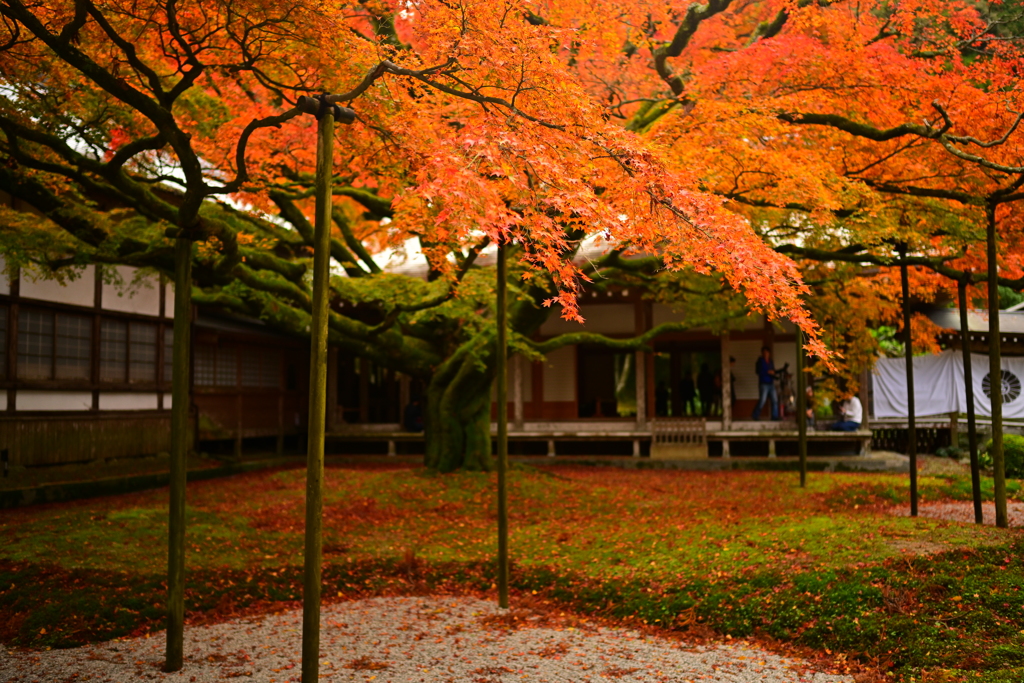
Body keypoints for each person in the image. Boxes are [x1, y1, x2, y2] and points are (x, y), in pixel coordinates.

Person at [751, 346, 779, 420]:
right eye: (764, 352)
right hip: (763, 383)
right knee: (762, 400)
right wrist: (767, 372)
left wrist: (773, 372)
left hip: (771, 382)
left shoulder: (770, 361)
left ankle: (774, 416)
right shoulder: (760, 361)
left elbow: (773, 370)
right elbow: (758, 371)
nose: (766, 354)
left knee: (775, 400)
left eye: (767, 352)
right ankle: (755, 415)